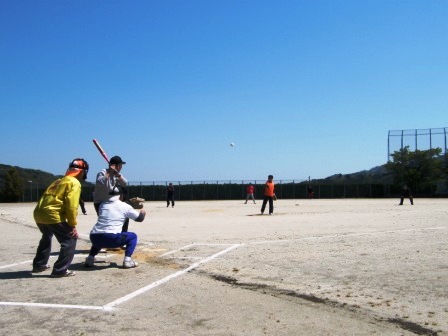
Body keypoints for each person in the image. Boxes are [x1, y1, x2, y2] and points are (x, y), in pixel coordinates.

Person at [32, 158, 89, 277]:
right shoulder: (74, 182)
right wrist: (72, 225)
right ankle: (60, 270)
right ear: (82, 172)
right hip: (52, 214)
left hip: (39, 212)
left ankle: (39, 264)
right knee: (70, 239)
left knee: (46, 236)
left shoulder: (59, 181)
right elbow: (72, 205)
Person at [84, 195, 146, 269]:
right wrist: (142, 212)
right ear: (121, 196)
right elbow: (139, 219)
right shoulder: (125, 206)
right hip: (112, 238)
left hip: (94, 237)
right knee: (133, 236)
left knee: (101, 236)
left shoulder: (102, 204)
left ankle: (90, 258)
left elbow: (114, 209)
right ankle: (127, 260)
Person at [93, 155, 129, 231]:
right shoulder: (103, 172)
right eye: (121, 165)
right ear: (117, 165)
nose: (121, 167)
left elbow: (125, 183)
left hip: (112, 203)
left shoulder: (117, 174)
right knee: (106, 224)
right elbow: (100, 182)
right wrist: (109, 172)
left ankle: (122, 237)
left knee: (125, 218)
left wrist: (118, 176)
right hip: (100, 203)